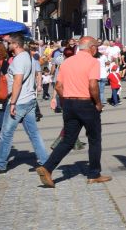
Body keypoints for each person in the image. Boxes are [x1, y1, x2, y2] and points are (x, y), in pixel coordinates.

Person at [37, 36, 108, 187]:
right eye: (96, 47)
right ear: (92, 48)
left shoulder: (67, 62)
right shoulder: (93, 62)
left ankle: (47, 167)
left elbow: (58, 86)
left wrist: (67, 100)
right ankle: (94, 174)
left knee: (68, 140)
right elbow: (93, 85)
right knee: (94, 139)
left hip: (69, 104)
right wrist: (98, 103)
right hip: (87, 104)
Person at [0, 34, 49, 176]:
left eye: (8, 43)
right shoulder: (28, 57)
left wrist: (12, 103)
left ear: (15, 44)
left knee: (6, 134)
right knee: (34, 133)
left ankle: (0, 164)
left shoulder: (19, 60)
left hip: (19, 102)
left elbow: (17, 82)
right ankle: (44, 160)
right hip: (29, 100)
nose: (6, 45)